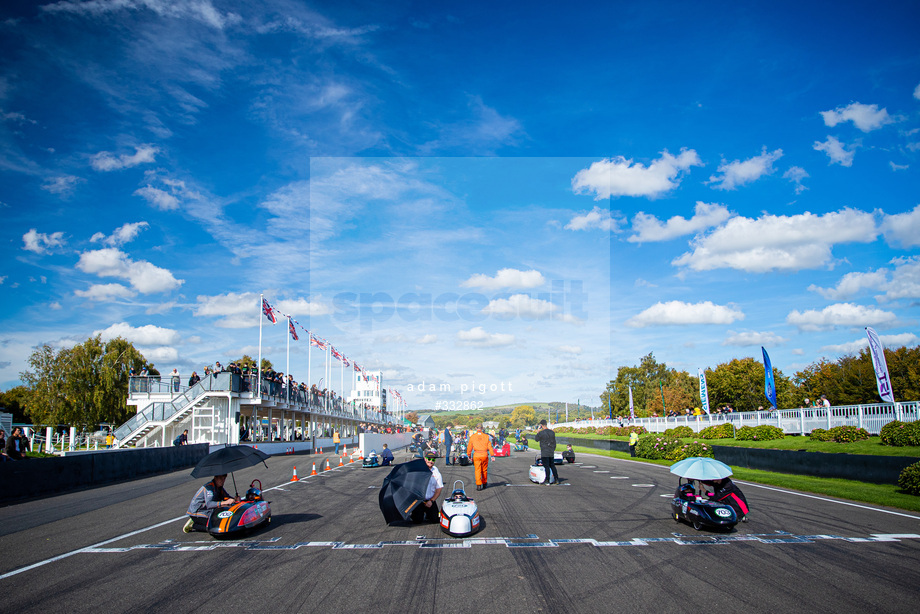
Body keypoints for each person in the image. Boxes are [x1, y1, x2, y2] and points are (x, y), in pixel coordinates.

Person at [411, 450, 444, 524]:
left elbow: (439, 489)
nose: (431, 461)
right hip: (419, 500)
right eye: (429, 459)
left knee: (435, 519)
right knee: (417, 520)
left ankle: (428, 513)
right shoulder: (418, 469)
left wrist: (431, 501)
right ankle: (413, 513)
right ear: (425, 459)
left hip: (430, 500)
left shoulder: (436, 472)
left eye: (433, 459)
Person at [467, 424, 491, 490]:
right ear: (482, 428)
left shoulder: (472, 437)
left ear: (476, 428)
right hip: (484, 454)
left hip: (476, 454)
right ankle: (484, 482)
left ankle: (478, 484)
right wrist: (492, 454)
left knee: (477, 470)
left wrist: (468, 455)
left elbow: (469, 447)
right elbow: (489, 446)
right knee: (484, 470)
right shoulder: (486, 436)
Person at [535, 419, 559, 485]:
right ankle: (556, 479)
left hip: (545, 450)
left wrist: (538, 432)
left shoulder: (541, 433)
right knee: (552, 465)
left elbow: (536, 439)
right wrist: (553, 449)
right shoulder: (552, 432)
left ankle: (547, 479)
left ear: (541, 425)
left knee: (546, 466)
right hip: (551, 450)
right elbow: (554, 442)